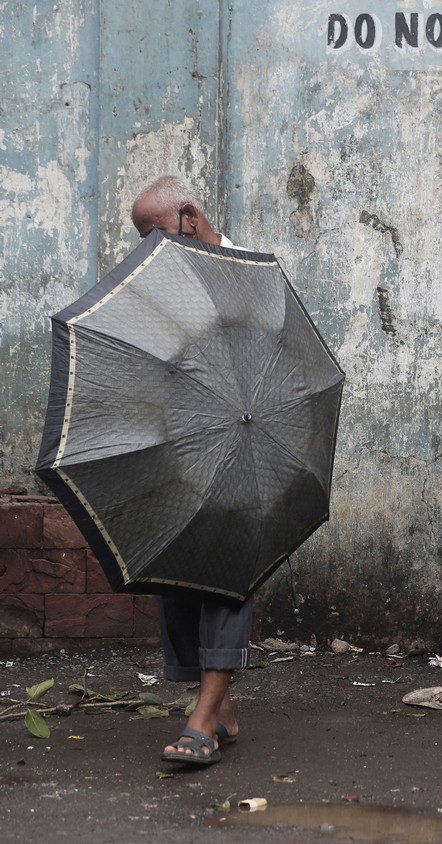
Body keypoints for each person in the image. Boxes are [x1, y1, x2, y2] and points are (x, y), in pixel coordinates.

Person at [131, 175, 250, 766]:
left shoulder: (249, 276)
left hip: (242, 449)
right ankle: (220, 708)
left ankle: (203, 716)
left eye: (152, 234)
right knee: (176, 576)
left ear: (187, 214)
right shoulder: (163, 285)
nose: (147, 250)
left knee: (227, 577)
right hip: (180, 447)